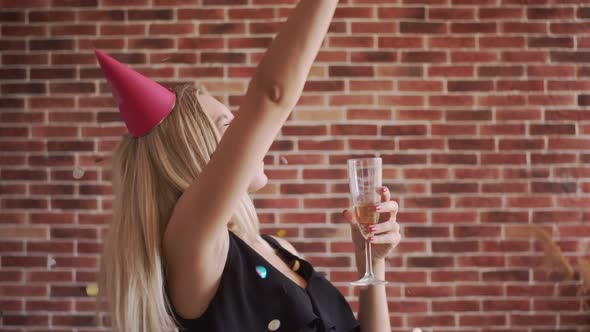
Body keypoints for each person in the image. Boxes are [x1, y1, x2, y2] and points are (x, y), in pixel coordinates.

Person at [95, 0, 401, 331]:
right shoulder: (192, 245)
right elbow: (272, 95)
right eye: (228, 125)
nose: (247, 133)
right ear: (196, 153)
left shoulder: (280, 250)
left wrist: (371, 261)